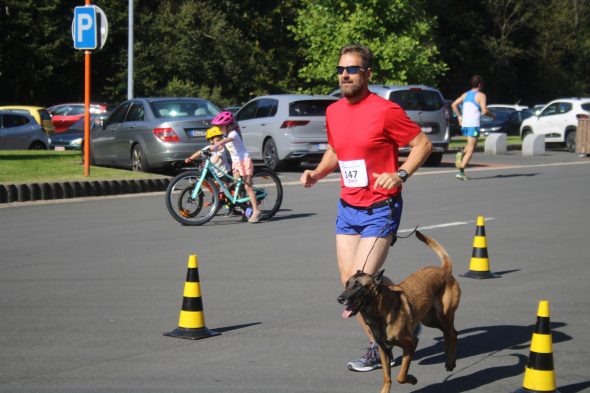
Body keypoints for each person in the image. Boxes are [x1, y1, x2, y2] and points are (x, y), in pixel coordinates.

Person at [300, 44, 432, 372]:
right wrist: (317, 172)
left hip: (380, 207)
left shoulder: (385, 110)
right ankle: (408, 310)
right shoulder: (334, 112)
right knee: (351, 279)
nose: (345, 75)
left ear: (367, 73)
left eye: (352, 69)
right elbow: (336, 149)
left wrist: (400, 174)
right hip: (348, 206)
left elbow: (423, 145)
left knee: (361, 282)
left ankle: (378, 346)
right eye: (341, 70)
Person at [210, 111, 261, 223]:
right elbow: (221, 146)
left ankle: (256, 211)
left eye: (221, 126)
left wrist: (218, 143)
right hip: (236, 163)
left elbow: (227, 140)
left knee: (247, 187)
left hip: (244, 161)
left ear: (228, 125)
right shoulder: (225, 135)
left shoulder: (233, 133)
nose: (220, 129)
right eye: (218, 127)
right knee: (237, 186)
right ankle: (246, 210)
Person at [451, 75, 494, 180]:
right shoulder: (481, 95)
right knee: (471, 148)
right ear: (480, 85)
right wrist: (492, 115)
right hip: (473, 125)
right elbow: (484, 111)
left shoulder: (465, 94)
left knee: (470, 145)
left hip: (465, 124)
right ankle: (461, 171)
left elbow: (453, 105)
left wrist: (459, 117)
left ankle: (460, 154)